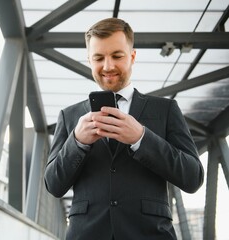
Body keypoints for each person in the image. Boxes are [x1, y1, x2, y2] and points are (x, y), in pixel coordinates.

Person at [44, 18, 204, 240]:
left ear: (132, 56)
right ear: (89, 60)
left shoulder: (165, 109)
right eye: (98, 58)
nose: (108, 66)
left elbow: (193, 177)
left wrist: (141, 138)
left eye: (117, 56)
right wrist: (77, 142)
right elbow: (53, 185)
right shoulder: (69, 116)